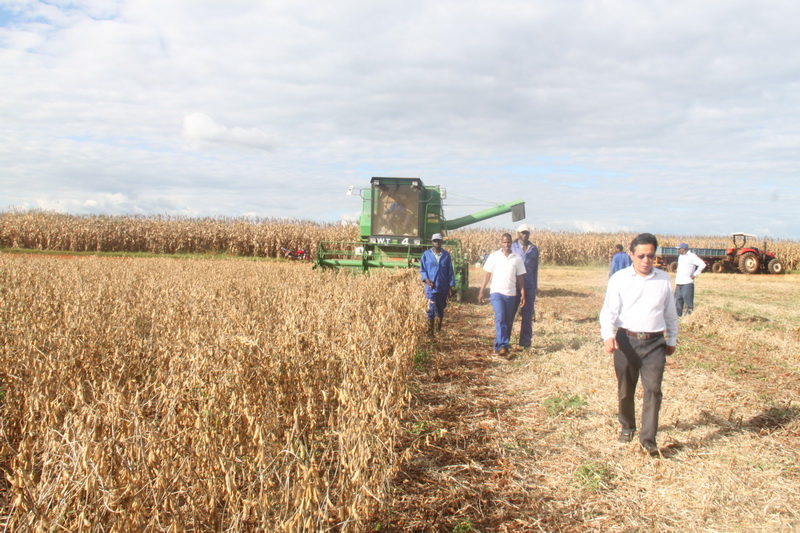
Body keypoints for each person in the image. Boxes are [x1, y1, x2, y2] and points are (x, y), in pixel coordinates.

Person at [600, 233, 679, 456]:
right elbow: (609, 311)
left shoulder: (663, 279)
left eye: (650, 256)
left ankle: (648, 439)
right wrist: (608, 335)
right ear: (632, 255)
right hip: (626, 341)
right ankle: (627, 426)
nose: (646, 260)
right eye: (641, 256)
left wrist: (671, 338)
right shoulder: (619, 279)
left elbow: (670, 313)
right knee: (626, 389)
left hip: (654, 343)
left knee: (653, 389)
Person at [478, 233, 526, 357]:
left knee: (508, 321)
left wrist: (522, 293)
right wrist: (482, 291)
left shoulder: (517, 258)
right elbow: (487, 275)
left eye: (508, 242)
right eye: (504, 242)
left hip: (511, 294)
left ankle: (500, 345)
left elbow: (520, 277)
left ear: (511, 243)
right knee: (500, 318)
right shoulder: (494, 256)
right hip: (496, 293)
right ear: (501, 243)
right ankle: (503, 346)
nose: (506, 244)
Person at [419, 233, 456, 336]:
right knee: (430, 308)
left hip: (442, 286)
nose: (436, 242)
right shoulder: (426, 255)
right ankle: (430, 332)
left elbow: (450, 272)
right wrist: (426, 280)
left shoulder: (446, 255)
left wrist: (450, 287)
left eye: (438, 241)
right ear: (432, 242)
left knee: (440, 308)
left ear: (441, 242)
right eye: (435, 241)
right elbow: (422, 270)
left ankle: (438, 329)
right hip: (431, 287)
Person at [511, 224, 539, 349]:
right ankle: (505, 343)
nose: (524, 235)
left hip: (529, 286)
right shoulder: (512, 247)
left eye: (526, 233)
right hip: (514, 286)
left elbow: (535, 269)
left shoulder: (533, 249)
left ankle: (525, 343)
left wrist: (534, 287)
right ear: (518, 234)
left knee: (527, 316)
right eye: (522, 232)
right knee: (510, 315)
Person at [674, 243, 706, 317]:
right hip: (679, 283)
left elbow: (702, 264)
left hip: (687, 283)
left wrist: (694, 274)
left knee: (688, 303)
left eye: (679, 249)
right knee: (677, 302)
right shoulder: (680, 257)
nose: (678, 250)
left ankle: (688, 318)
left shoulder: (692, 256)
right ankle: (678, 317)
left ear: (684, 249)